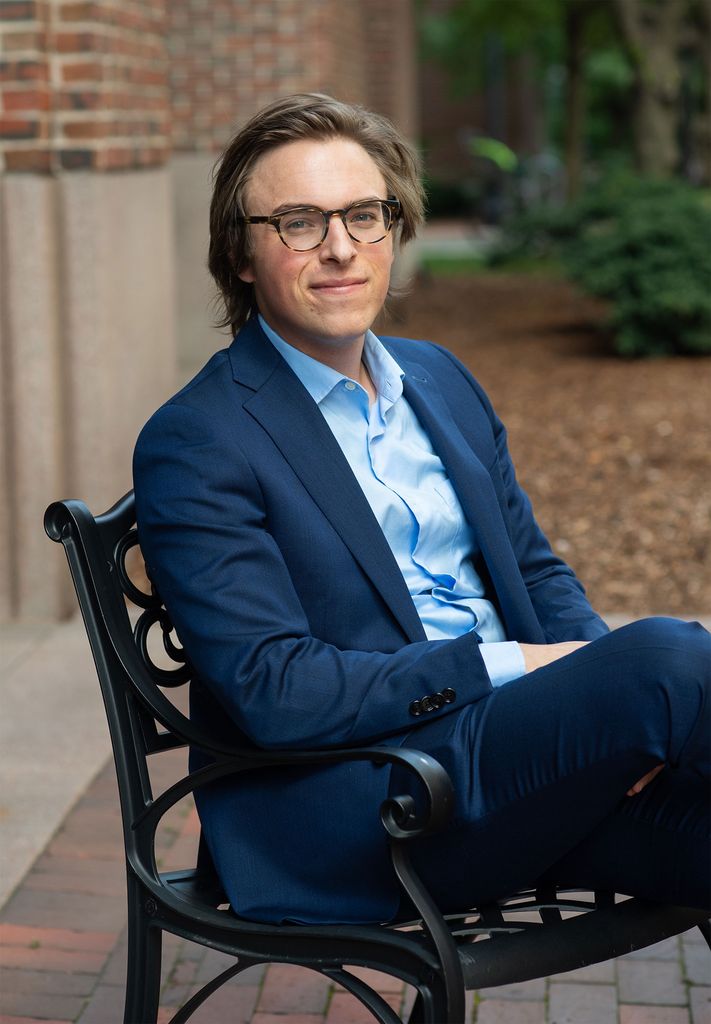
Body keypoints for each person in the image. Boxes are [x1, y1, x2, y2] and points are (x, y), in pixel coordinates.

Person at [133, 93, 710, 926]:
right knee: (666, 659)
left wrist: (599, 701)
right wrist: (521, 668)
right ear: (242, 253)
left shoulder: (437, 377)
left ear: (394, 229)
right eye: (299, 222)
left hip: (524, 769)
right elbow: (275, 689)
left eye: (364, 215)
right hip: (377, 799)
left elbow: (535, 570)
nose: (340, 248)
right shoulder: (199, 439)